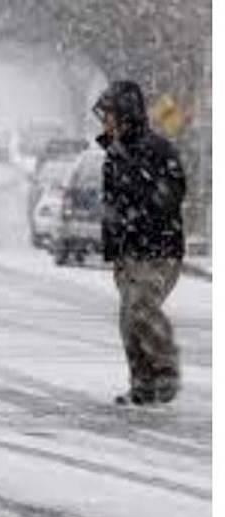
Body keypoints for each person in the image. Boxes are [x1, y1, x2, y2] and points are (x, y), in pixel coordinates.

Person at [93, 80, 186, 405]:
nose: (104, 122)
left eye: (109, 115)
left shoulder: (157, 150)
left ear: (125, 116)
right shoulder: (113, 156)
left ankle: (166, 370)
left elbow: (173, 194)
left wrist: (142, 204)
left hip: (158, 250)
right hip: (129, 254)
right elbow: (111, 206)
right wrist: (113, 249)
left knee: (141, 309)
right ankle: (143, 382)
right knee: (129, 321)